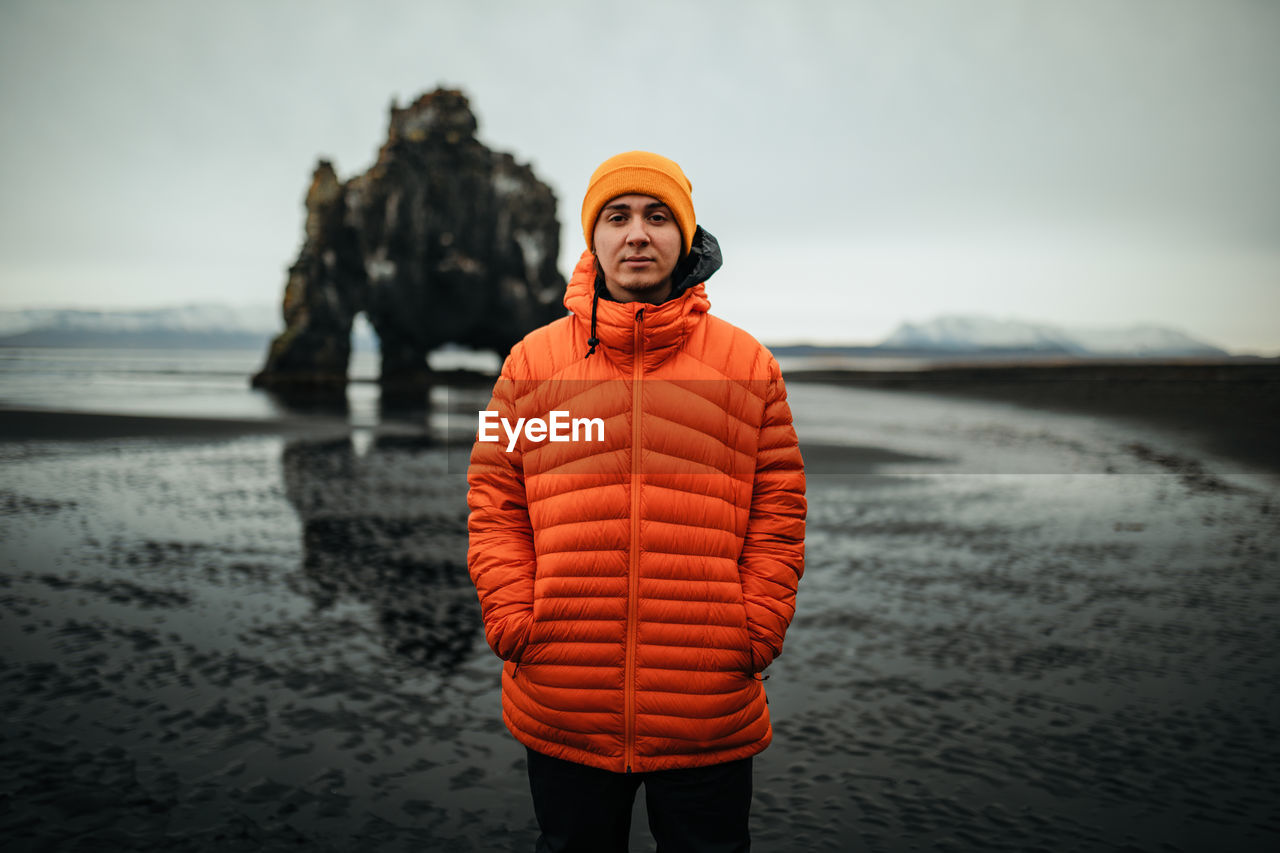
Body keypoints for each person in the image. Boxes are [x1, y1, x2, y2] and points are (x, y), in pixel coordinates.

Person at [467, 150, 806, 852]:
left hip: (706, 702)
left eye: (657, 217)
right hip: (567, 692)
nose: (637, 235)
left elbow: (780, 505)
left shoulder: (749, 367)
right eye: (617, 217)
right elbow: (495, 497)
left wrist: (758, 626)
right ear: (593, 238)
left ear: (685, 236)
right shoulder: (530, 364)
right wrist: (513, 615)